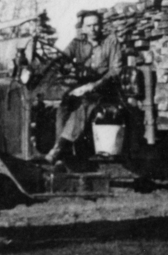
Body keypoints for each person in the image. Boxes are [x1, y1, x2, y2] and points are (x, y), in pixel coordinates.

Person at [43, 10, 122, 162]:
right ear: (83, 28)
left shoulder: (111, 41)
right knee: (64, 103)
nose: (93, 29)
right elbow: (62, 59)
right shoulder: (76, 43)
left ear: (101, 26)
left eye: (96, 25)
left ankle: (60, 147)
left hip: (105, 88)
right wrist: (62, 66)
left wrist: (94, 84)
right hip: (81, 86)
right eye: (89, 25)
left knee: (86, 102)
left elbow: (115, 70)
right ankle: (62, 150)